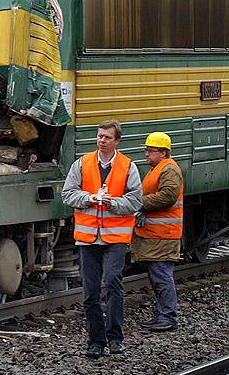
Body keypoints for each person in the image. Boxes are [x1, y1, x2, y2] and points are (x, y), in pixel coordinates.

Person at [62, 119, 142, 359]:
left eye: (107, 137)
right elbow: (67, 194)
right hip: (88, 240)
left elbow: (136, 201)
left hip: (115, 238)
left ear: (116, 141)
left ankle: (115, 338)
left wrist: (112, 202)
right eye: (99, 136)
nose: (101, 140)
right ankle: (96, 341)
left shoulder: (128, 167)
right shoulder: (82, 164)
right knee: (90, 293)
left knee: (113, 281)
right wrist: (89, 198)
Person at [131, 132, 183, 332]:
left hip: (164, 234)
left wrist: (139, 203)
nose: (146, 154)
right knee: (158, 277)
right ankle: (162, 315)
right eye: (146, 150)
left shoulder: (168, 170)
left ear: (163, 152)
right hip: (157, 234)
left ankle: (168, 317)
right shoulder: (158, 168)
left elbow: (168, 196)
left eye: (150, 151)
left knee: (161, 276)